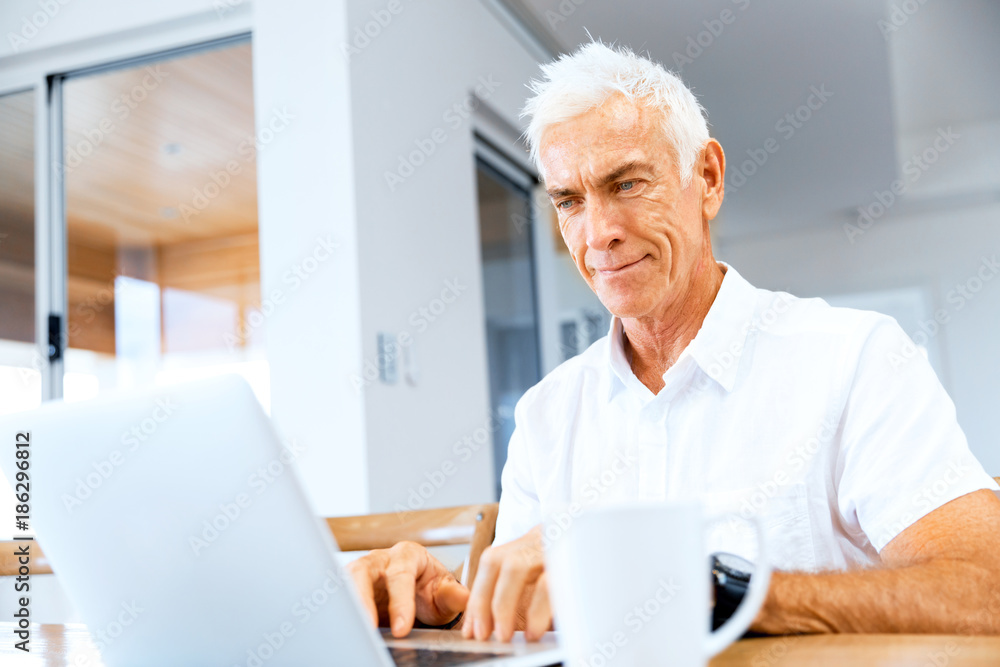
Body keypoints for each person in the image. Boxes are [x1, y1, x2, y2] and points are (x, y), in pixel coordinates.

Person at [347, 41, 1000, 641]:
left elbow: (985, 590)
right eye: (570, 200)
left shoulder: (853, 359)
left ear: (708, 178)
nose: (598, 232)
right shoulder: (546, 415)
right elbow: (527, 622)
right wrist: (451, 605)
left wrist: (717, 588)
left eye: (626, 183)